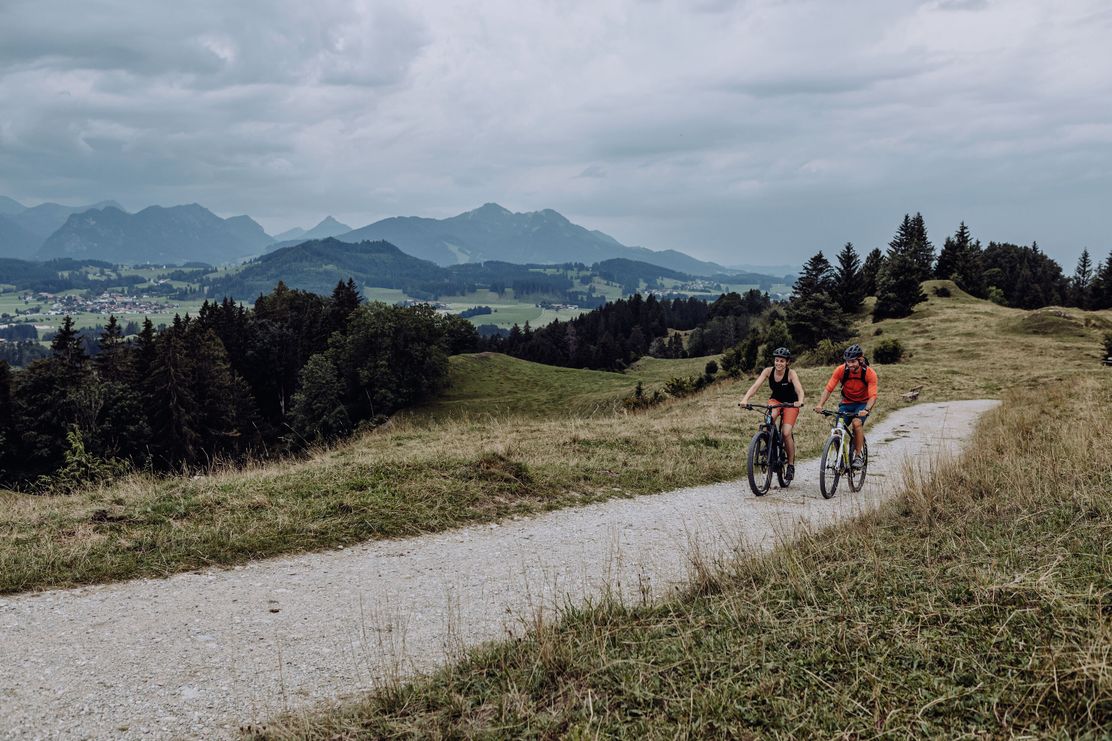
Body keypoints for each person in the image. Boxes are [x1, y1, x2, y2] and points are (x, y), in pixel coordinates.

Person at [740, 347, 806, 482]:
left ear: (787, 362)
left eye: (782, 361)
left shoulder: (791, 373)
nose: (778, 363)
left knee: (786, 433)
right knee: (769, 420)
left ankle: (790, 465)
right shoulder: (768, 371)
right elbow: (755, 386)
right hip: (775, 401)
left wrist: (800, 401)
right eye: (777, 360)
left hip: (791, 403)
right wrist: (745, 399)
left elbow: (799, 389)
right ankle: (769, 442)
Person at [813, 343, 877, 469]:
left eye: (853, 361)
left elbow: (873, 396)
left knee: (856, 423)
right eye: (848, 361)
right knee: (838, 429)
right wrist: (820, 404)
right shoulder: (841, 370)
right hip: (847, 403)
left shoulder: (869, 373)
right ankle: (840, 456)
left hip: (862, 404)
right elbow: (829, 388)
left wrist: (866, 409)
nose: (850, 364)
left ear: (861, 360)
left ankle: (858, 456)